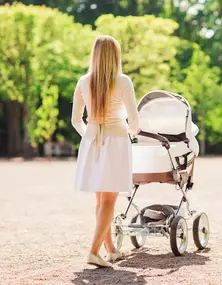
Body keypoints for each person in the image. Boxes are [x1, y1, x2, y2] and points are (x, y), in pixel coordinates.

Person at [71, 35, 140, 268]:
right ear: (116, 56)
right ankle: (93, 251)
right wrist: (129, 132)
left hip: (92, 141)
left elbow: (75, 120)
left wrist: (91, 137)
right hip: (116, 141)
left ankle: (110, 250)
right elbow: (135, 122)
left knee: (101, 200)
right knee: (109, 200)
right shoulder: (123, 81)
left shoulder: (82, 82)